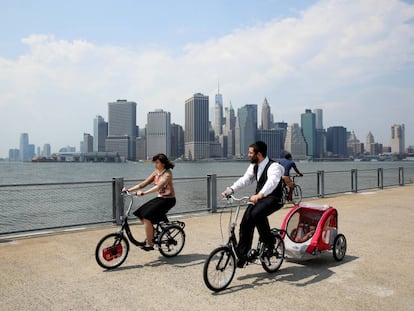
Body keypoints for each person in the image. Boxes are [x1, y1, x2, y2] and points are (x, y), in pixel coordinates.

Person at [221, 141, 285, 268]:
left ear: (259, 154)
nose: (249, 155)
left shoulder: (274, 166)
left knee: (256, 214)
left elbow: (272, 182)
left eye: (251, 153)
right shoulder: (254, 166)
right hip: (259, 198)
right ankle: (243, 255)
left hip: (274, 198)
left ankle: (270, 243)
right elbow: (245, 180)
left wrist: (260, 194)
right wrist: (231, 190)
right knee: (245, 222)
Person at [122, 153, 176, 251]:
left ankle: (149, 244)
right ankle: (153, 232)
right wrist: (129, 190)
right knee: (139, 213)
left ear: (163, 164)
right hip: (160, 199)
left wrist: (144, 193)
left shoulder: (167, 174)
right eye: (155, 162)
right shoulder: (156, 173)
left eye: (157, 162)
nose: (155, 164)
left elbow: (158, 186)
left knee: (147, 217)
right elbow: (143, 184)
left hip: (168, 200)